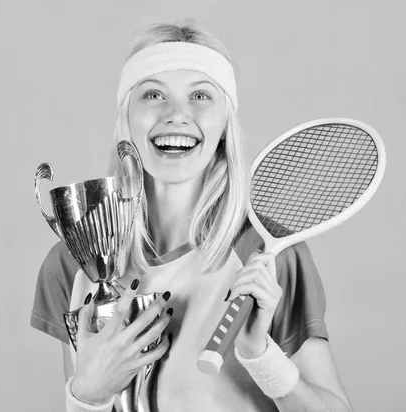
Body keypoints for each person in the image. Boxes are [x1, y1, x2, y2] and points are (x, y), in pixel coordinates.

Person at [31, 21, 352, 412]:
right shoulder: (72, 263)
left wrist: (260, 354)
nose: (177, 115)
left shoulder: (265, 255)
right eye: (153, 94)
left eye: (200, 95)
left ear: (223, 127)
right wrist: (88, 395)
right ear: (126, 121)